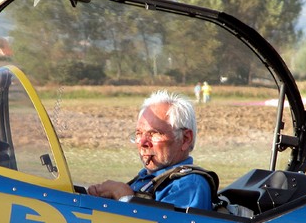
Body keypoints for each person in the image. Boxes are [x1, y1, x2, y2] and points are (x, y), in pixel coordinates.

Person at [87, 90, 216, 210]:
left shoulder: (189, 185)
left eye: (154, 133)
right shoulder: (147, 179)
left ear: (185, 139)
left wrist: (123, 196)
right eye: (138, 133)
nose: (142, 143)